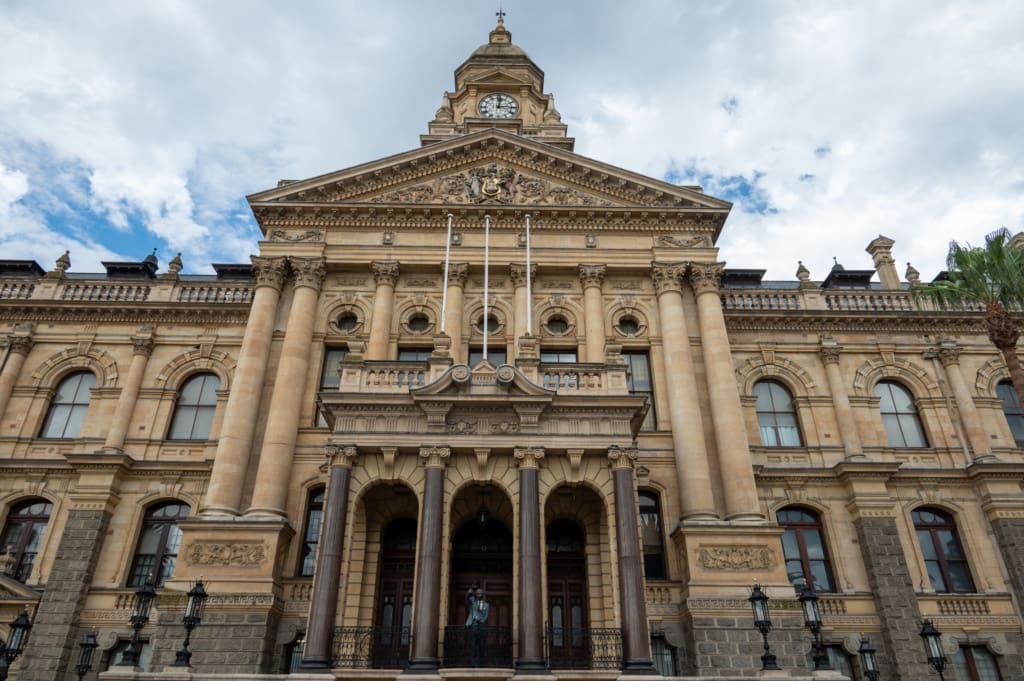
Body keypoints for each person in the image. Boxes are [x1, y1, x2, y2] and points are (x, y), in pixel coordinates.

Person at [465, 585, 490, 665]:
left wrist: (481, 621)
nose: (479, 595)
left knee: (481, 645)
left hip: (482, 626)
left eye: (480, 593)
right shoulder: (472, 601)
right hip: (473, 625)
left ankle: (482, 662)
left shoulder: (486, 605)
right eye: (478, 593)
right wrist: (471, 590)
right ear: (476, 594)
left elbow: (486, 615)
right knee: (473, 645)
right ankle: (472, 662)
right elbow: (466, 598)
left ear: (482, 595)